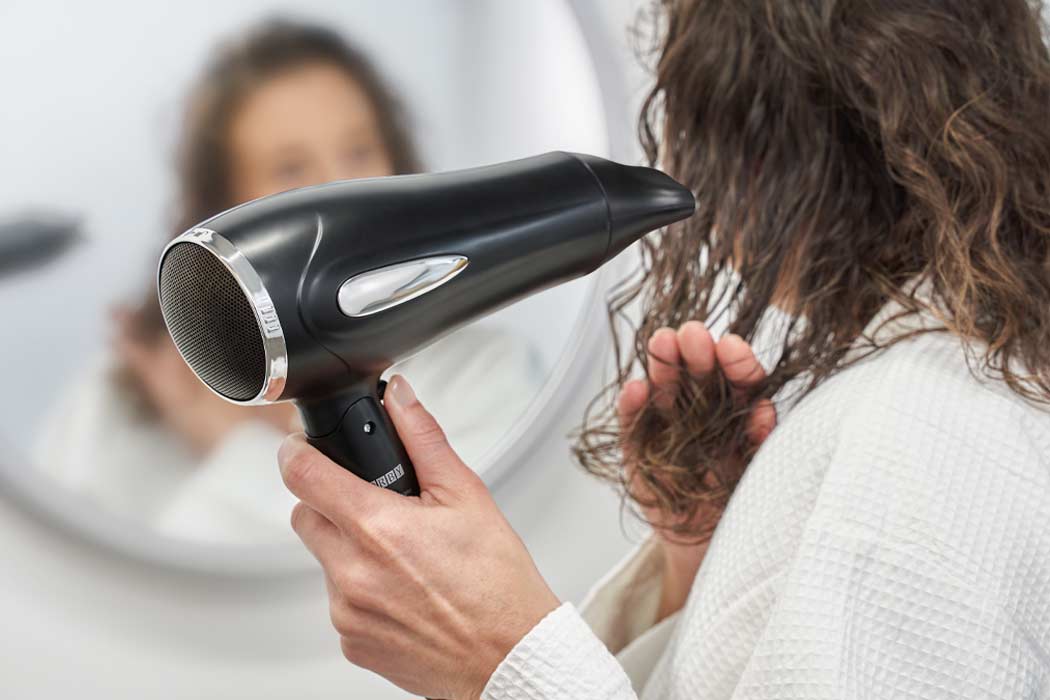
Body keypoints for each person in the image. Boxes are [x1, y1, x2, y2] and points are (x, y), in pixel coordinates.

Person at [272, 0, 1050, 698]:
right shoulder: (948, 381)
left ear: (762, 147)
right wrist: (711, 564)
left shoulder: (920, 437)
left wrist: (499, 659)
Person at [36, 19, 543, 544]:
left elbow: (443, 576)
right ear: (227, 206)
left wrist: (226, 443)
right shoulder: (116, 401)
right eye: (290, 169)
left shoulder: (484, 371)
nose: (338, 190)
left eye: (358, 151)